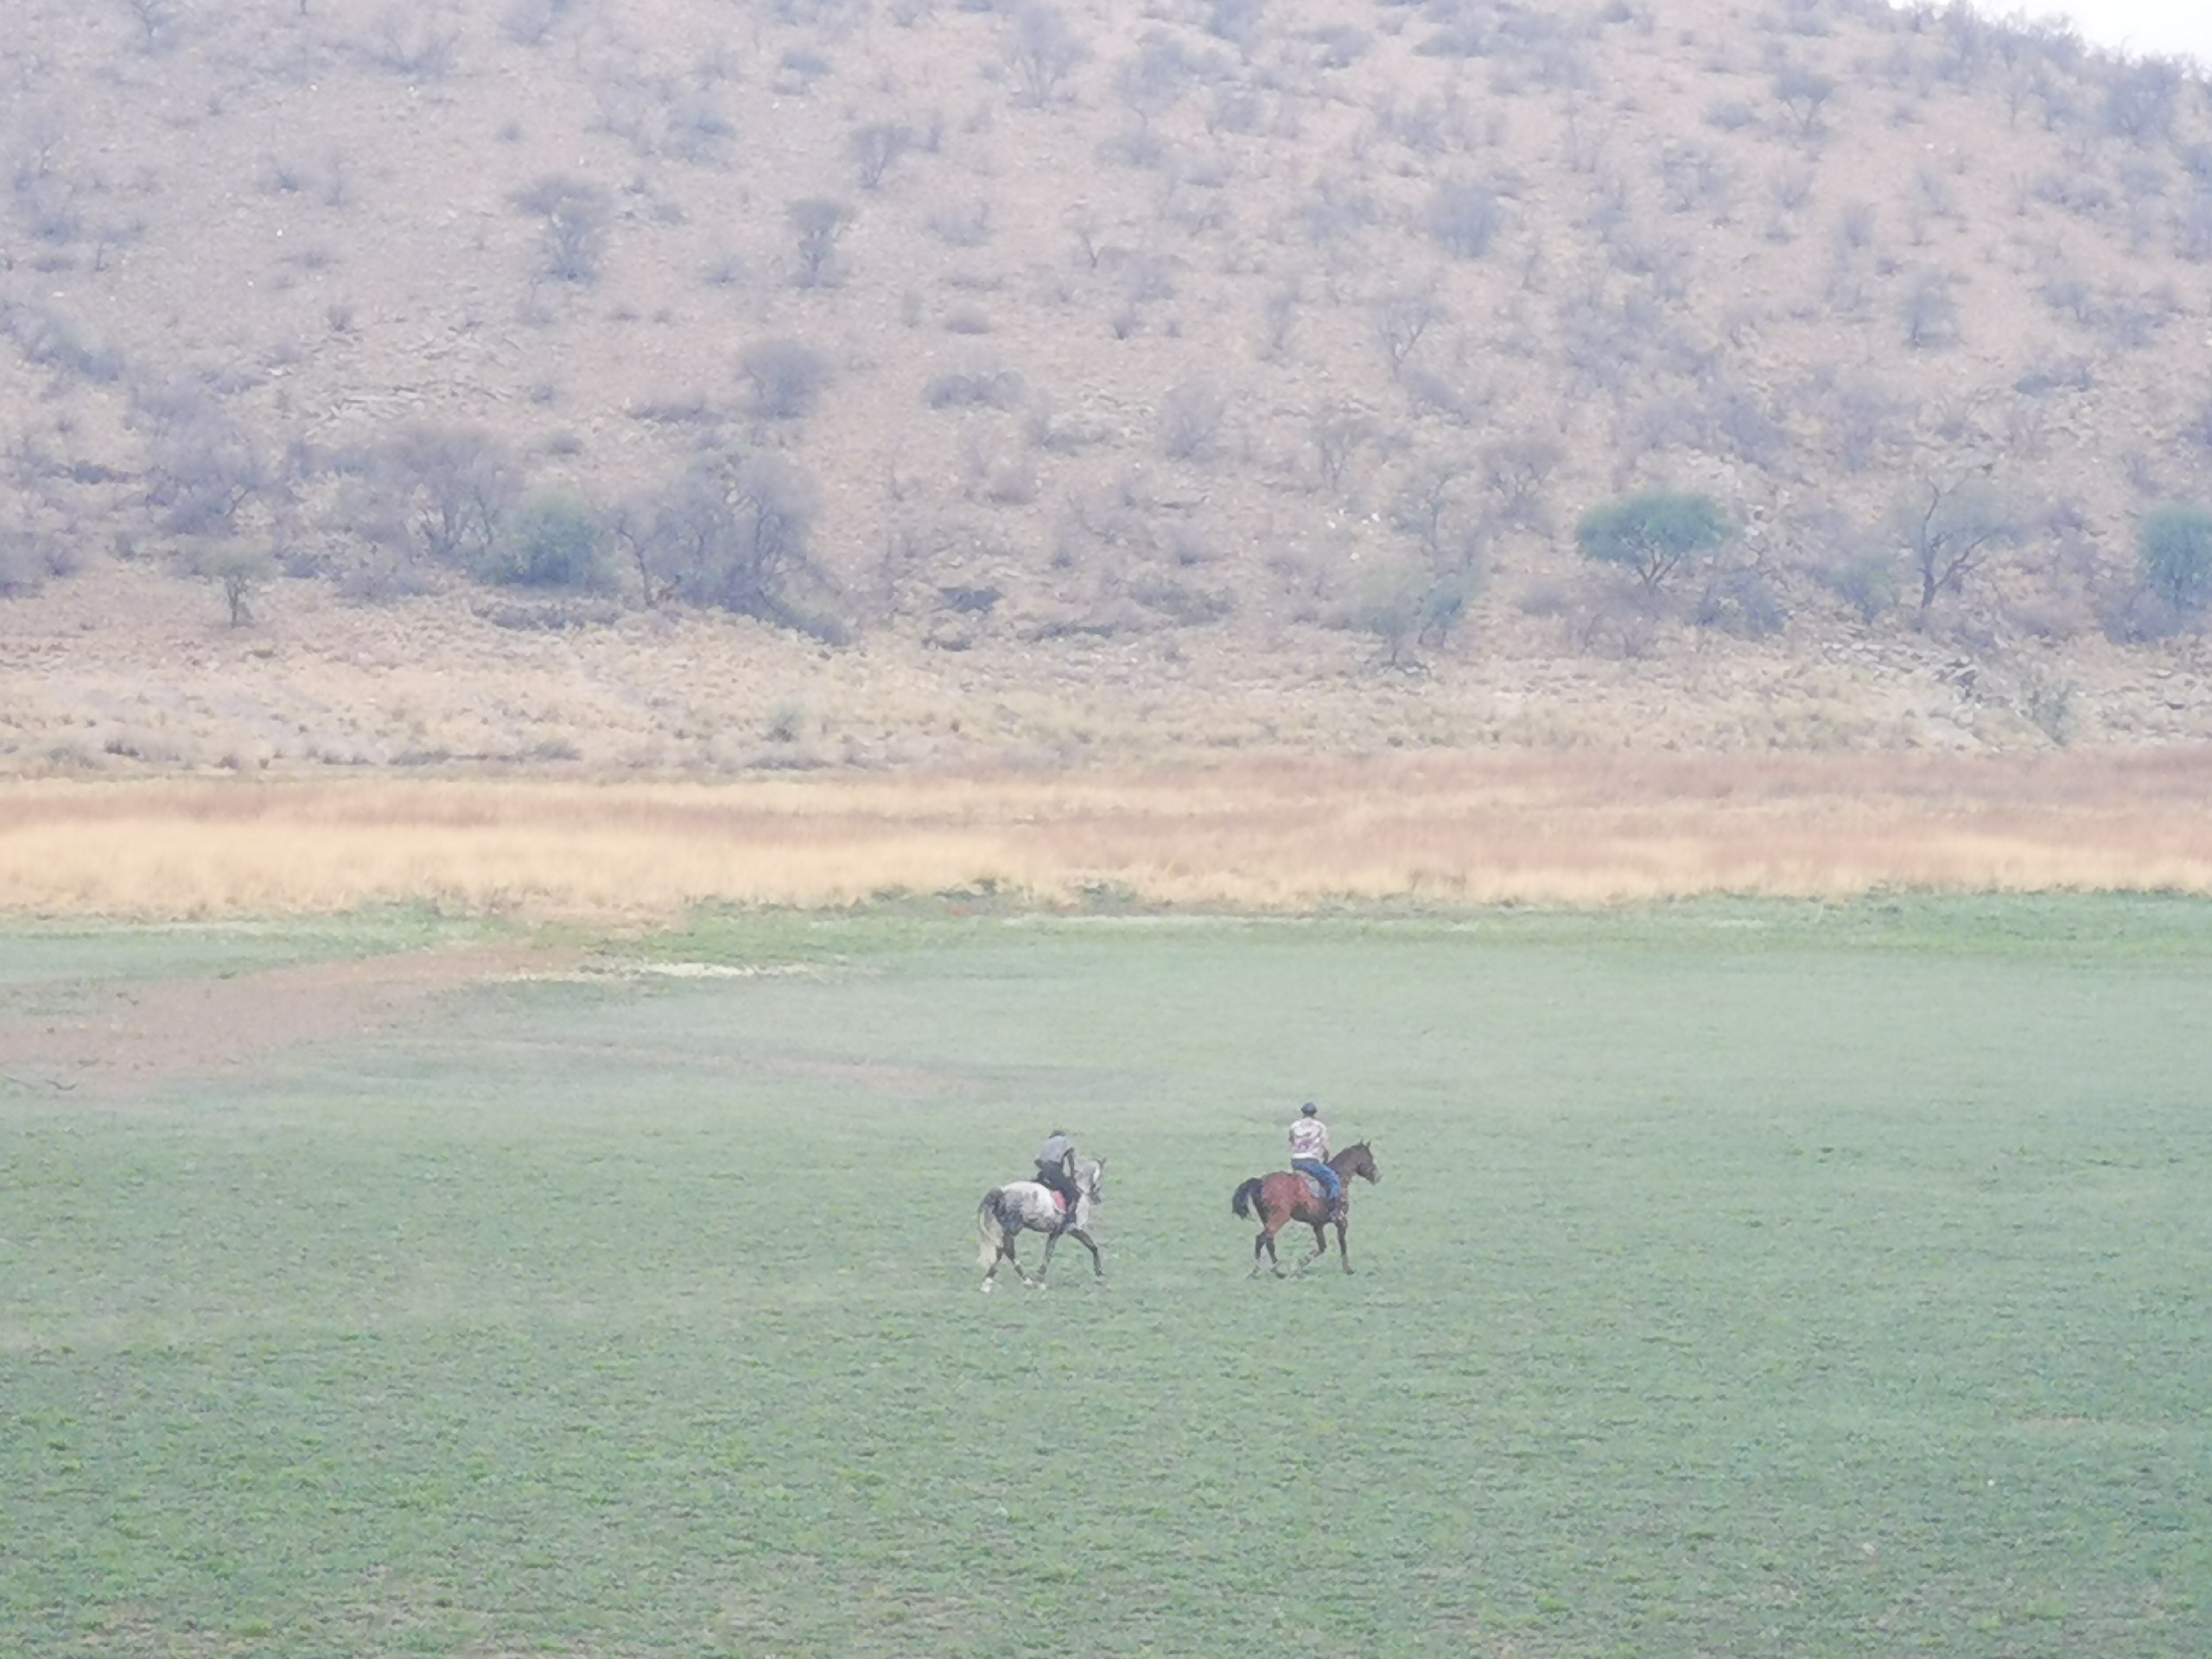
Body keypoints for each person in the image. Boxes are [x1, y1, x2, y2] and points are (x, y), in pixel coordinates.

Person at [1288, 1101, 1344, 1222]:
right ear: (1314, 1113)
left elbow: (1292, 1141)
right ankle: (1334, 1211)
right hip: (1311, 1161)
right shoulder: (1319, 1126)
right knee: (1334, 1180)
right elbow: (1325, 1145)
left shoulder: (1294, 1126)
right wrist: (1328, 1156)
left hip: (1296, 1161)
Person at [1034, 1128, 1082, 1231]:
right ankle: (1069, 1220)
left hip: (1044, 1169)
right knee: (1073, 1193)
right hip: (1054, 1169)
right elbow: (1071, 1160)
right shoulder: (1065, 1141)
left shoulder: (1047, 1142)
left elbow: (1037, 1161)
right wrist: (1073, 1176)